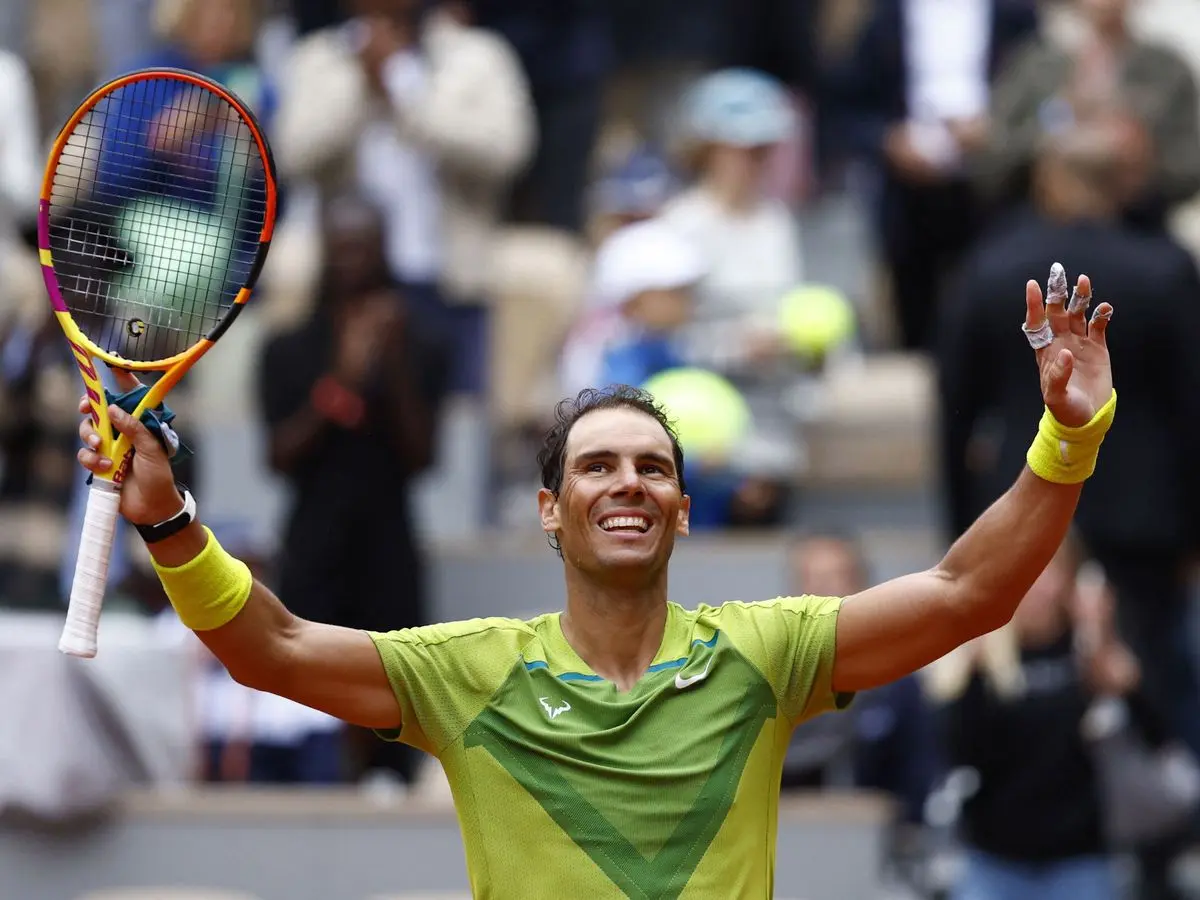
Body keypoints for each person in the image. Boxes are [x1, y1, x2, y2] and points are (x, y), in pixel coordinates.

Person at [75, 262, 1116, 897]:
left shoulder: (765, 653)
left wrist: (1068, 435)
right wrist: (167, 520)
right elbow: (276, 647)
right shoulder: (471, 674)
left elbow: (965, 592)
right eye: (598, 466)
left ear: (682, 506)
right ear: (549, 508)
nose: (629, 484)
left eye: (654, 467)